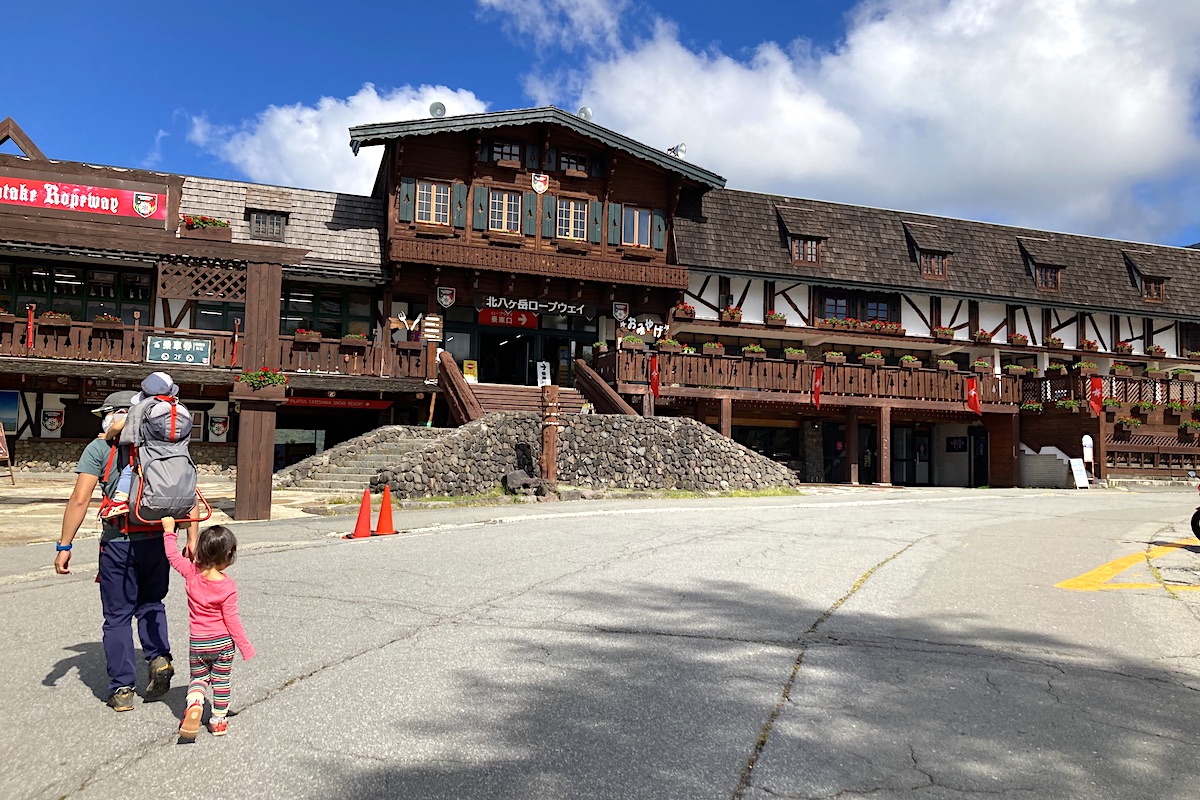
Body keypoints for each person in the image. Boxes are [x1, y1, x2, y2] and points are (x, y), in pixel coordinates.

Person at [55, 390, 198, 712]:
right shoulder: (167, 446)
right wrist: (191, 536)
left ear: (117, 414)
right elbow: (185, 492)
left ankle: (122, 689)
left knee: (117, 616)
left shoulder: (100, 448)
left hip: (118, 543)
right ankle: (159, 657)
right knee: (151, 603)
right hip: (160, 540)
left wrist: (65, 545)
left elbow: (79, 499)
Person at [161, 517, 255, 739]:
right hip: (222, 643)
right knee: (221, 682)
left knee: (198, 679)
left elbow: (172, 556)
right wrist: (245, 646)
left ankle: (194, 704)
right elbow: (232, 620)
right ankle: (218, 720)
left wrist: (168, 532)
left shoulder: (191, 573)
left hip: (199, 641)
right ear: (228, 556)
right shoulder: (227, 586)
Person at [100, 372, 181, 520]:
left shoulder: (140, 409)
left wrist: (107, 435)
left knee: (128, 469)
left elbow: (116, 427)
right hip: (172, 456)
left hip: (146, 453)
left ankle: (119, 502)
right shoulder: (176, 410)